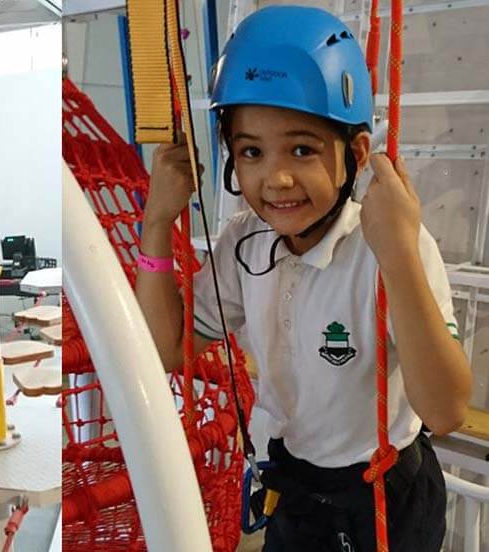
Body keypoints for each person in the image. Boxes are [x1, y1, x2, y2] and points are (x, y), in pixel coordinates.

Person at [135, 6, 471, 552]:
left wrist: (398, 256)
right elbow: (166, 350)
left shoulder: (388, 245)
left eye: (302, 149)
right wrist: (155, 224)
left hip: (384, 492)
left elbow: (446, 411)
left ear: (355, 154)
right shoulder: (245, 241)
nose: (277, 178)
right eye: (251, 151)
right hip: (297, 487)